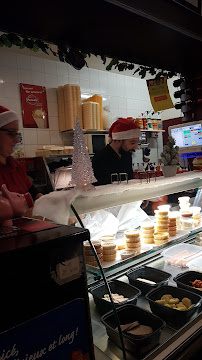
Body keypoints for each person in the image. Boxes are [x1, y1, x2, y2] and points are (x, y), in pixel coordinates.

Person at [0, 105, 43, 201]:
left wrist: (45, 200)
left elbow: (32, 192)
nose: (16, 140)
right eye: (11, 133)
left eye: (16, 134)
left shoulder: (16, 166)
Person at [92, 118, 141, 185]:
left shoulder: (127, 155)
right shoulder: (100, 158)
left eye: (136, 143)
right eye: (132, 143)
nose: (136, 147)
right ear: (119, 140)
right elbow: (99, 188)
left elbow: (129, 181)